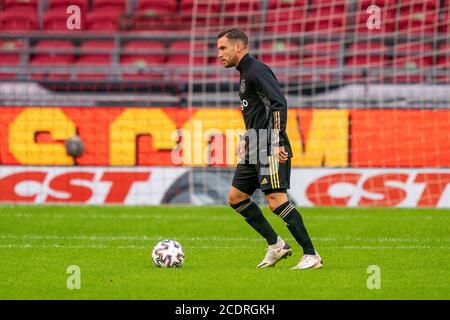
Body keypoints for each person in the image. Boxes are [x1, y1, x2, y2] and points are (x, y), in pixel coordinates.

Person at [217, 28, 323, 269]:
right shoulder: (245, 74)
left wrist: (275, 142)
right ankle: (275, 245)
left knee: (276, 201)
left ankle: (311, 255)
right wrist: (246, 138)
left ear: (238, 47)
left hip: (268, 145)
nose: (219, 54)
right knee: (236, 198)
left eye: (223, 48)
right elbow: (258, 111)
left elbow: (278, 103)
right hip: (254, 144)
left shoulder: (256, 70)